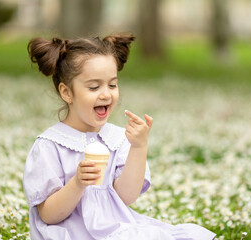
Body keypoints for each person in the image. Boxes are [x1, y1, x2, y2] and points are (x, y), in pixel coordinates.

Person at [23, 33, 216, 240]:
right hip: (70, 233)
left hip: (115, 228)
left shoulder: (117, 138)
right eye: (94, 87)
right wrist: (77, 183)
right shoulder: (50, 145)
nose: (106, 94)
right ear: (67, 93)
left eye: (112, 85)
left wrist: (139, 147)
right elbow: (49, 215)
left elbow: (127, 196)